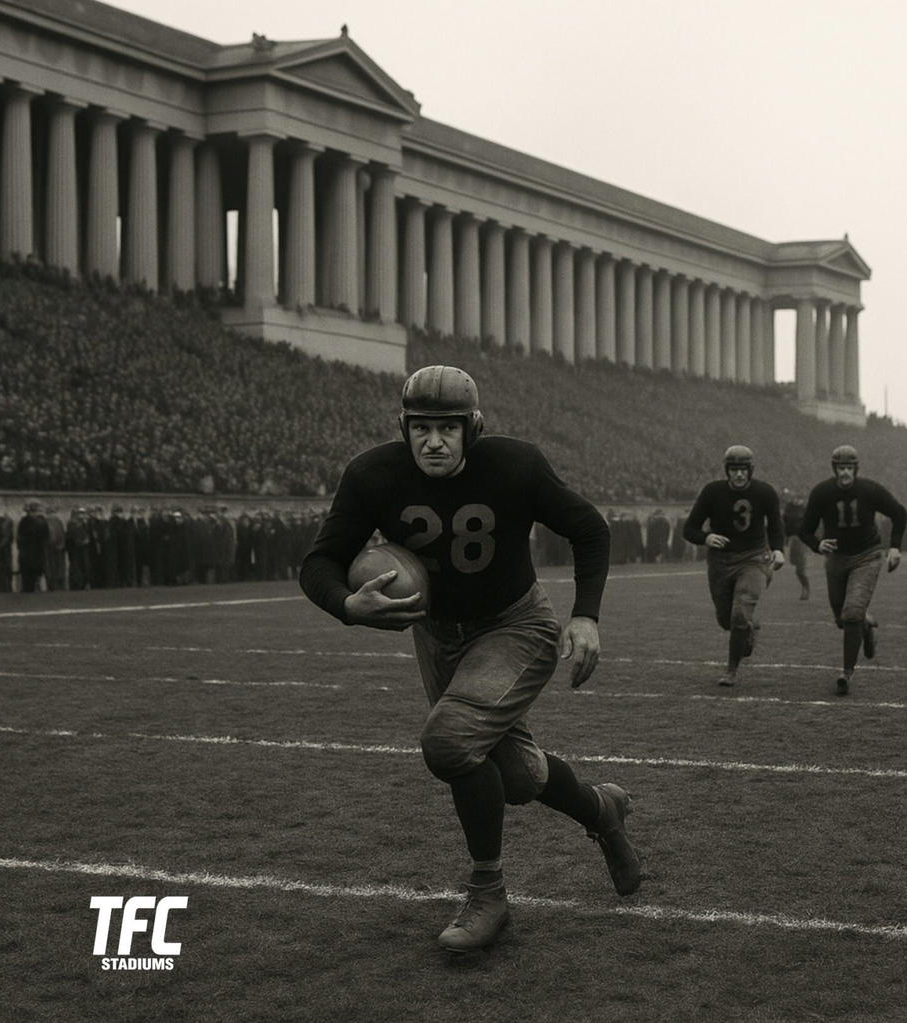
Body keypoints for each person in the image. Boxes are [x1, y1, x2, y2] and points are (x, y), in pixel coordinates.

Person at [299, 364, 641, 954]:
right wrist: (347, 605)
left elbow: (589, 528)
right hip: (437, 634)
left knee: (450, 742)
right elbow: (319, 562)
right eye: (422, 427)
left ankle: (489, 892)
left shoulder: (515, 465)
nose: (434, 440)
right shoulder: (373, 474)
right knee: (513, 775)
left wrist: (585, 614)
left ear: (472, 429)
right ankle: (600, 808)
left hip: (517, 623)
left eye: (448, 428)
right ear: (404, 428)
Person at [799, 444, 907, 695]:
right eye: (841, 468)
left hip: (866, 556)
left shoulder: (869, 490)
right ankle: (866, 626)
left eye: (849, 467)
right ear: (834, 469)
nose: (845, 473)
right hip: (836, 559)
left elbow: (899, 513)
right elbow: (804, 529)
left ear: (855, 469)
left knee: (851, 613)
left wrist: (895, 547)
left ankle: (846, 672)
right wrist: (818, 544)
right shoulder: (822, 492)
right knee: (842, 619)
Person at [682, 445, 785, 687]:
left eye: (743, 470)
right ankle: (749, 628)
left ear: (751, 470)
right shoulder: (712, 492)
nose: (739, 475)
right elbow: (689, 529)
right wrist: (705, 537)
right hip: (721, 560)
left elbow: (776, 525)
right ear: (727, 471)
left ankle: (731, 670)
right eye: (734, 469)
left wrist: (778, 549)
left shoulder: (765, 492)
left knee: (739, 614)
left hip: (754, 558)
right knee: (725, 620)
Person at [781, 488, 811, 600]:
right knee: (795, 565)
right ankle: (804, 586)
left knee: (800, 567)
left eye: (798, 498)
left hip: (802, 540)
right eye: (794, 497)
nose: (796, 500)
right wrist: (785, 538)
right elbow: (784, 523)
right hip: (792, 539)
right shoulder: (789, 508)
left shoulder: (806, 510)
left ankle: (806, 588)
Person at [15, 500, 48, 593]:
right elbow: (46, 536)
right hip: (37, 550)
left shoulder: (25, 521)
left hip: (28, 550)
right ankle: (36, 586)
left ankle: (29, 587)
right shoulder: (41, 522)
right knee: (35, 570)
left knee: (28, 572)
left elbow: (20, 536)